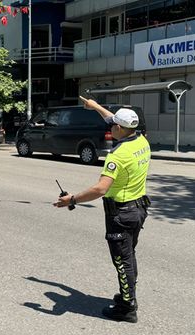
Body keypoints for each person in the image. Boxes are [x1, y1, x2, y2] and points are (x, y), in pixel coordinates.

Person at [54, 96, 151, 323]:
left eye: (113, 125)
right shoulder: (142, 141)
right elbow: (111, 119)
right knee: (129, 255)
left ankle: (127, 308)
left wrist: (72, 199)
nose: (109, 127)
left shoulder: (117, 156)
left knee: (122, 261)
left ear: (119, 128)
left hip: (121, 213)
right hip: (138, 209)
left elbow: (100, 189)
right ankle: (128, 297)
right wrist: (95, 106)